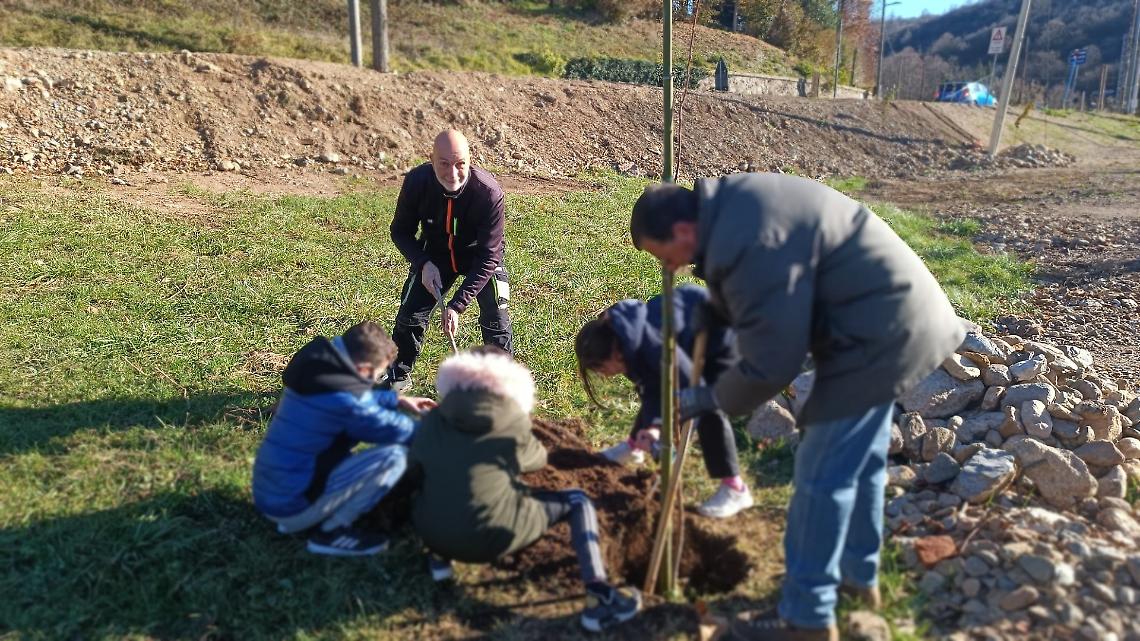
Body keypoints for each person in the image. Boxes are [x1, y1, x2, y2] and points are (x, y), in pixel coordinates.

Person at [628, 174, 965, 641]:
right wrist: (718, 307)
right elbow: (779, 278)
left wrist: (710, 398)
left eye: (664, 256)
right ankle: (856, 579)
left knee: (819, 476)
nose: (671, 267)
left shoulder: (747, 238)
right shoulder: (734, 209)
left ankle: (805, 617)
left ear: (683, 232)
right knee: (857, 465)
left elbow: (772, 363)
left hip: (876, 335)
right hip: (893, 320)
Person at [408, 346, 642, 633]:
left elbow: (415, 467)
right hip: (491, 537)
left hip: (431, 531)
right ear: (509, 380)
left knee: (443, 485)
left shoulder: (433, 418)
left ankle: (440, 561)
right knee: (578, 501)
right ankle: (600, 596)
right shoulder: (512, 420)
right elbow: (537, 460)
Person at [252, 322, 435, 556]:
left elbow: (350, 397)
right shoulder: (348, 404)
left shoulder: (318, 369)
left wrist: (397, 400)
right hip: (292, 506)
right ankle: (331, 532)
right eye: (377, 376)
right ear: (363, 370)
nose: (375, 382)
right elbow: (404, 431)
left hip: (271, 490)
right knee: (393, 457)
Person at [574, 283, 753, 519]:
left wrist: (657, 428)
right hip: (684, 337)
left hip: (722, 340)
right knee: (655, 391)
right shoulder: (623, 339)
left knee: (708, 408)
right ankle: (634, 447)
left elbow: (689, 389)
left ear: (614, 354)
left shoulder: (656, 348)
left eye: (600, 367)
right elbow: (651, 391)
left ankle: (735, 489)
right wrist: (651, 428)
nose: (603, 375)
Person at [387, 129, 513, 391]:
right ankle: (398, 374)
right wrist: (423, 263)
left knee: (496, 319)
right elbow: (400, 231)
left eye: (460, 164)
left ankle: (501, 385)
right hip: (435, 256)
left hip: (480, 258)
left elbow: (490, 256)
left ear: (470, 160)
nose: (453, 173)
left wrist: (456, 305)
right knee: (410, 315)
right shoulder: (417, 182)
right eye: (444, 164)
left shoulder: (488, 193)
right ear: (430, 159)